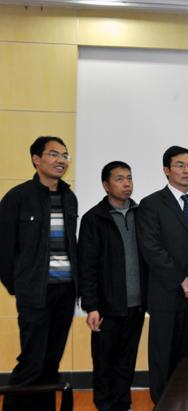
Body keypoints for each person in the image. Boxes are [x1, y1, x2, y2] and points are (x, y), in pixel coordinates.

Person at [0, 136, 78, 411]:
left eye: (65, 155)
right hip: (35, 292)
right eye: (54, 154)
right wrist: (19, 286)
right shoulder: (18, 197)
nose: (61, 160)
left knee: (51, 361)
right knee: (32, 361)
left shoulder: (69, 197)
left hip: (65, 291)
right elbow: (4, 249)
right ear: (36, 159)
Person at [136, 145, 188, 403]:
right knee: (162, 356)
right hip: (165, 294)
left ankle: (185, 403)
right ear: (166, 170)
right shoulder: (151, 204)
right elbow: (151, 248)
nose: (187, 170)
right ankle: (161, 403)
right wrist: (181, 280)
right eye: (180, 165)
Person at [78, 161, 146, 411]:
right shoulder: (94, 219)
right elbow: (87, 266)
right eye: (119, 179)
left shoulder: (141, 214)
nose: (127, 184)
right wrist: (91, 306)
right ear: (106, 185)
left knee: (126, 363)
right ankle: (106, 407)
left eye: (129, 178)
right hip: (107, 307)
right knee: (105, 363)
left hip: (136, 305)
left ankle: (123, 405)